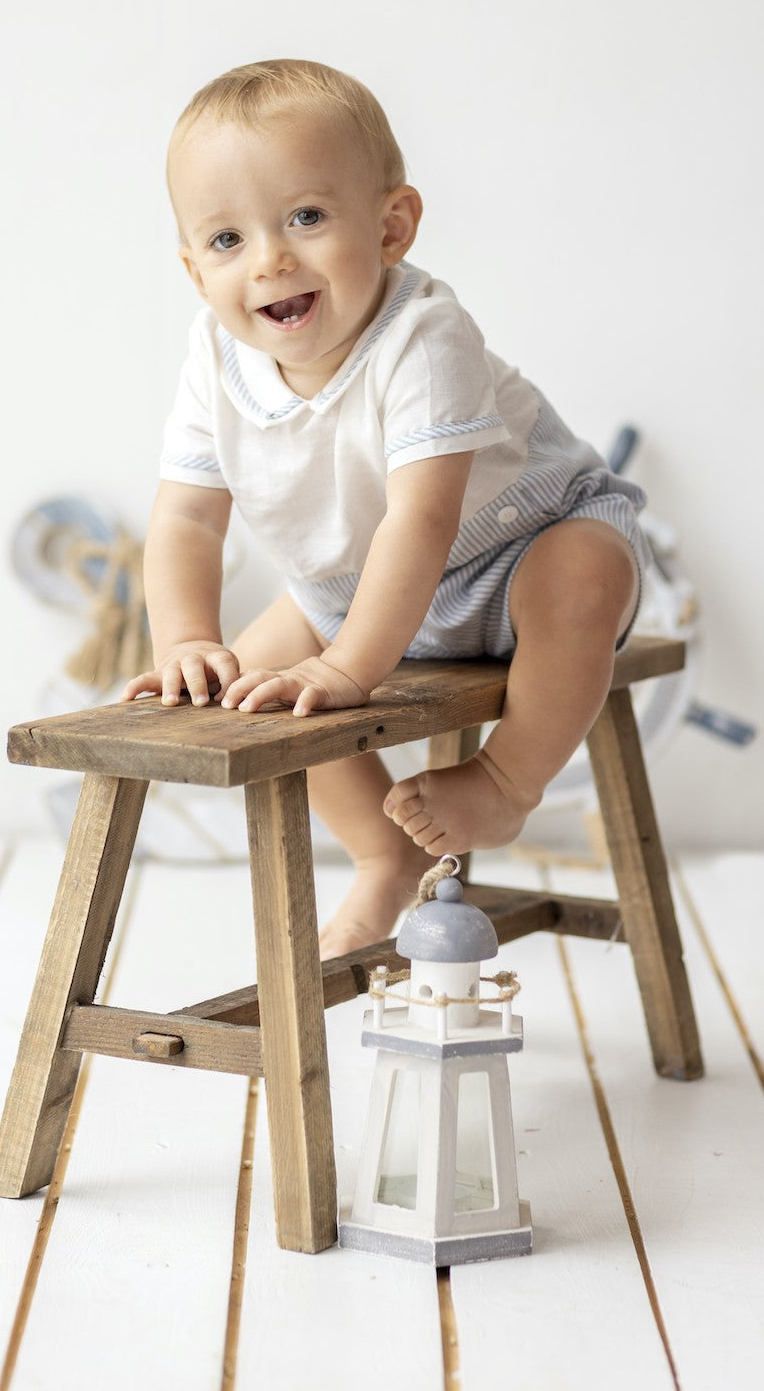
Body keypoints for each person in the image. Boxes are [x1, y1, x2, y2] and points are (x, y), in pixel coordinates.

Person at [123, 58, 646, 958]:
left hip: (515, 555)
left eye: (306, 216)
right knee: (254, 686)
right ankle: (382, 850)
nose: (270, 258)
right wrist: (186, 640)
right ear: (195, 271)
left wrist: (347, 668)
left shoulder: (423, 335)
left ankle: (507, 782)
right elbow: (187, 520)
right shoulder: (214, 359)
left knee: (585, 573)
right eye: (227, 239)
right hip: (352, 588)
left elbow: (423, 521)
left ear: (392, 225)